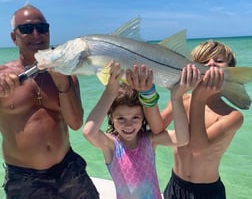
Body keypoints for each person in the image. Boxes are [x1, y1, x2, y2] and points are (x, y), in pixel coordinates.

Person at [0, 4, 99, 198]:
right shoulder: (2, 79)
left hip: (68, 168)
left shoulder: (67, 74)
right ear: (14, 37)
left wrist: (63, 83)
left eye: (42, 28)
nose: (36, 34)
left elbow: (76, 123)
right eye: (27, 29)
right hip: (26, 178)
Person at [83, 62, 201, 199]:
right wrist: (110, 92)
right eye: (121, 118)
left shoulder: (149, 141)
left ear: (143, 118)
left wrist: (176, 97)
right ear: (112, 118)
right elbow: (88, 132)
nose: (128, 125)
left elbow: (182, 139)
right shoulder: (111, 145)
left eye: (135, 117)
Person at [142, 40, 243, 199]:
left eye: (219, 61)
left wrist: (198, 98)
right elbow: (157, 127)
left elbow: (197, 147)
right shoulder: (182, 99)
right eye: (203, 62)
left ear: (230, 71)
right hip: (175, 184)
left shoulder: (231, 116)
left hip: (206, 192)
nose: (210, 64)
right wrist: (147, 92)